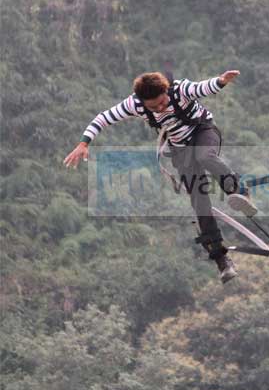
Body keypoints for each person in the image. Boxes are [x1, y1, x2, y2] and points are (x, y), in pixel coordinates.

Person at [63, 70, 256, 283]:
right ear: (143, 102)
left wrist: (220, 81)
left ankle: (238, 190)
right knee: (199, 201)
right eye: (153, 107)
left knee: (204, 156)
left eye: (162, 102)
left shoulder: (179, 90)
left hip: (202, 132)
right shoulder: (134, 104)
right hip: (180, 149)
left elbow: (201, 87)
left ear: (166, 91)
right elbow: (103, 118)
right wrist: (84, 143)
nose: (160, 108)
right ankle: (222, 259)